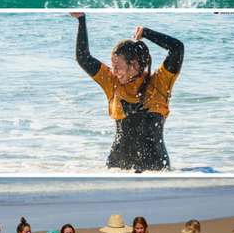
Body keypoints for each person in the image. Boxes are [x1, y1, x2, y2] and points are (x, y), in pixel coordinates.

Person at [69, 12, 184, 172]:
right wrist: (81, 19)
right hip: (117, 168)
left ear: (133, 64)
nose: (113, 72)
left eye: (117, 67)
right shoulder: (112, 82)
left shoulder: (160, 83)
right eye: (112, 67)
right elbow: (83, 58)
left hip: (156, 169)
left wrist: (146, 33)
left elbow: (177, 48)